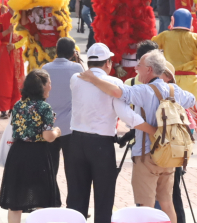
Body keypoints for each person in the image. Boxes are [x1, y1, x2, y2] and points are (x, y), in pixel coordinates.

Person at [67, 42, 157, 223]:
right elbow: (126, 115)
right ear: (108, 62)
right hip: (101, 145)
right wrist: (152, 130)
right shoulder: (114, 82)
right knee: (103, 198)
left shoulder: (75, 78)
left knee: (76, 197)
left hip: (75, 142)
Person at [151, 9, 197, 154]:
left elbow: (150, 46)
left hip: (169, 81)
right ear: (190, 22)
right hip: (190, 82)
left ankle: (172, 143)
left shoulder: (165, 36)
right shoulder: (196, 38)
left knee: (168, 113)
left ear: (173, 21)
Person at [0, 69, 61, 223]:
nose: (51, 87)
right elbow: (48, 136)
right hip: (38, 154)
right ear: (42, 87)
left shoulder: (18, 105)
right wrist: (56, 132)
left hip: (18, 152)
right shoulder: (44, 108)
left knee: (16, 200)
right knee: (42, 197)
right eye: (49, 83)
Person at [42, 37, 84, 185]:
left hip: (49, 125)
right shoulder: (77, 68)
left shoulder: (45, 68)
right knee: (72, 170)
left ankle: (51, 201)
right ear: (73, 53)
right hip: (70, 126)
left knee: (50, 169)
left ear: (56, 50)